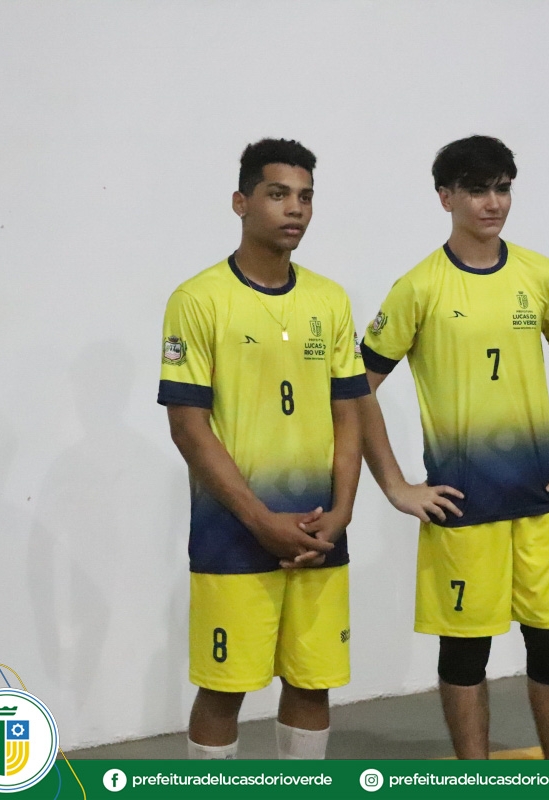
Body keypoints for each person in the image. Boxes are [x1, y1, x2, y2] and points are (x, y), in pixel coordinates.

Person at [358, 135, 549, 759]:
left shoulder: (540, 275)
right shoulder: (418, 288)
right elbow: (356, 390)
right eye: (476, 190)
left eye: (502, 189)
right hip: (463, 508)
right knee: (466, 655)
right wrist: (395, 485)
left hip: (542, 501)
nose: (493, 203)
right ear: (445, 197)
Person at [157, 138, 369, 760]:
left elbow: (349, 413)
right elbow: (187, 426)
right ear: (241, 202)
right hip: (233, 533)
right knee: (224, 690)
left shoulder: (330, 299)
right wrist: (259, 520)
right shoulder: (197, 299)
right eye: (278, 194)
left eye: (305, 197)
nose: (294, 208)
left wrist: (343, 510)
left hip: (318, 531)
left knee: (312, 681)